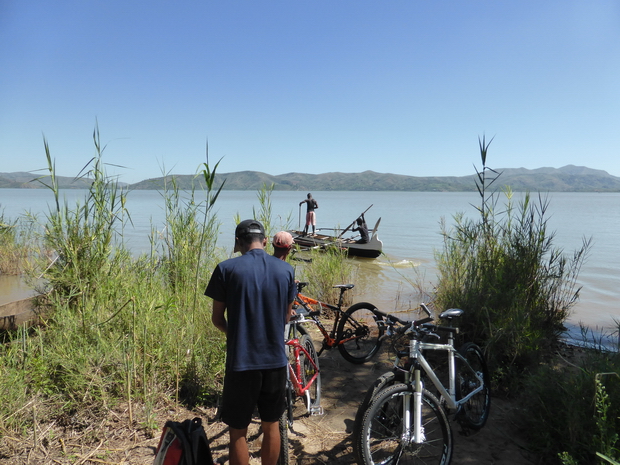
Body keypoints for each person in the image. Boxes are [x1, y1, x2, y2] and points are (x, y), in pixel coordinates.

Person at [205, 219, 296, 465]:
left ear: (238, 243)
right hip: (275, 361)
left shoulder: (225, 269)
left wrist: (236, 336)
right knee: (271, 424)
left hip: (242, 362)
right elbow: (286, 316)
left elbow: (217, 319)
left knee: (238, 430)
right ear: (265, 242)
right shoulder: (286, 270)